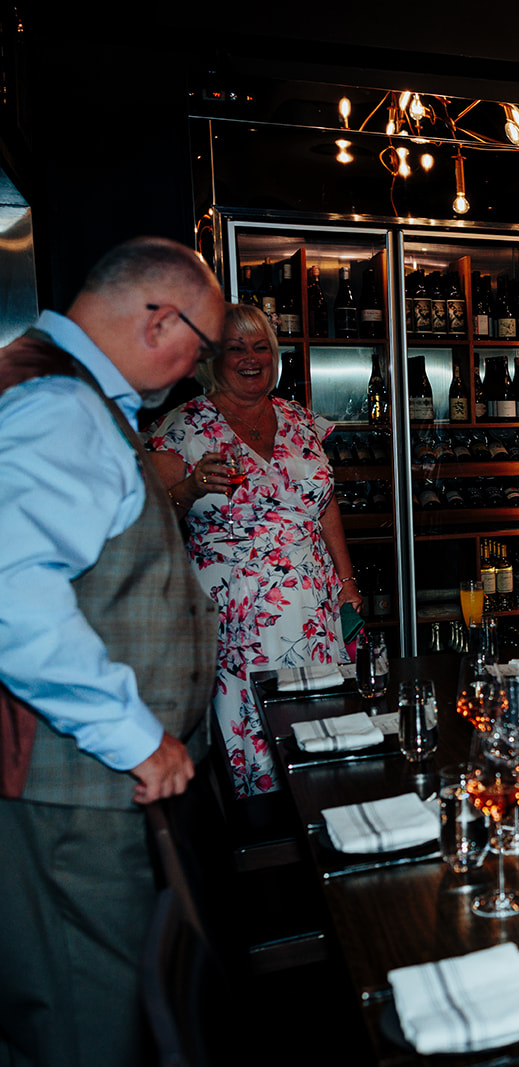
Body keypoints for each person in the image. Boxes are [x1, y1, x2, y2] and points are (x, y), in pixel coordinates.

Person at [0, 236, 223, 1066]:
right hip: (76, 799)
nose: (191, 373)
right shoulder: (62, 405)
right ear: (160, 318)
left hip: (88, 793)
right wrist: (135, 735)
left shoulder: (60, 389)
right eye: (198, 350)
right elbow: (11, 589)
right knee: (92, 1030)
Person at [147, 303, 361, 797]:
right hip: (235, 613)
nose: (251, 357)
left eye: (260, 346)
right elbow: (151, 519)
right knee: (251, 732)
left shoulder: (300, 420)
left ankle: (323, 812)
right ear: (210, 359)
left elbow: (324, 506)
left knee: (321, 724)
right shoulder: (183, 426)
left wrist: (348, 585)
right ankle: (264, 838)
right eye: (235, 347)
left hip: (314, 607)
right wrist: (193, 487)